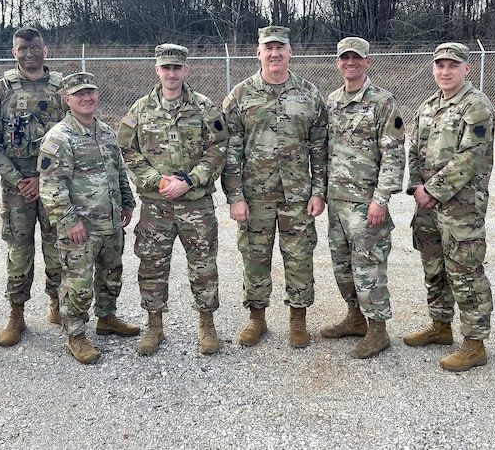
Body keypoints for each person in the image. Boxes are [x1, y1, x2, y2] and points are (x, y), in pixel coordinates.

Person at [117, 44, 228, 356]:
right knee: (152, 265)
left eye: (177, 68)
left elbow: (218, 149)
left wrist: (190, 180)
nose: (171, 73)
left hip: (196, 203)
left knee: (204, 265)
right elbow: (129, 152)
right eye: (166, 67)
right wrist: (159, 181)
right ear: (157, 70)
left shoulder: (205, 108)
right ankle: (155, 326)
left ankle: (207, 325)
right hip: (156, 205)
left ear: (186, 71)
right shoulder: (139, 110)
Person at [222, 25, 328, 348]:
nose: (274, 53)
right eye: (268, 48)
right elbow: (230, 151)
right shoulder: (240, 96)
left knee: (299, 257)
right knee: (254, 257)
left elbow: (319, 148)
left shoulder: (309, 95)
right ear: (259, 53)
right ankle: (257, 318)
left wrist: (318, 190)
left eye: (280, 47)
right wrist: (235, 196)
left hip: (297, 196)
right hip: (255, 197)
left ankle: (298, 319)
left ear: (290, 52)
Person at [0, 27, 76, 347]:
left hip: (55, 184)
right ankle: (16, 314)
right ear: (14, 52)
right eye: (23, 48)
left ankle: (56, 305)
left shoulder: (63, 88)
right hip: (17, 187)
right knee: (18, 252)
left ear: (45, 50)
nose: (29, 53)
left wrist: (45, 178)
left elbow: (75, 135)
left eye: (35, 47)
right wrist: (18, 178)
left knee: (57, 247)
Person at [404, 42, 495, 372]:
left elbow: (470, 158)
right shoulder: (428, 106)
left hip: (461, 208)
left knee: (465, 271)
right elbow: (413, 149)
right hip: (427, 206)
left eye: (452, 66)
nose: (445, 71)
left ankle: (474, 343)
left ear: (466, 69)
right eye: (440, 65)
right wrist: (416, 186)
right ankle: (440, 326)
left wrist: (432, 190)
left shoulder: (477, 106)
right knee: (434, 268)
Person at [37, 72, 138, 364]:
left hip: (110, 222)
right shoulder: (59, 137)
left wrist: (127, 203)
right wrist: (69, 223)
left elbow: (118, 171)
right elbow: (51, 185)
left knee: (111, 274)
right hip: (81, 227)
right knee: (78, 284)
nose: (86, 98)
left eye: (90, 92)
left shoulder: (105, 131)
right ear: (67, 100)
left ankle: (106, 317)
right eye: (79, 94)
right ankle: (76, 334)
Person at [321, 37, 405, 359]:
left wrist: (381, 199)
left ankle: (378, 331)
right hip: (337, 202)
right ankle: (355, 319)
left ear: (368, 62)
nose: (350, 62)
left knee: (369, 268)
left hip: (366, 204)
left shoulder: (383, 102)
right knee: (342, 267)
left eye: (357, 58)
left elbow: (394, 155)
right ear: (338, 62)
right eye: (345, 58)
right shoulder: (332, 101)